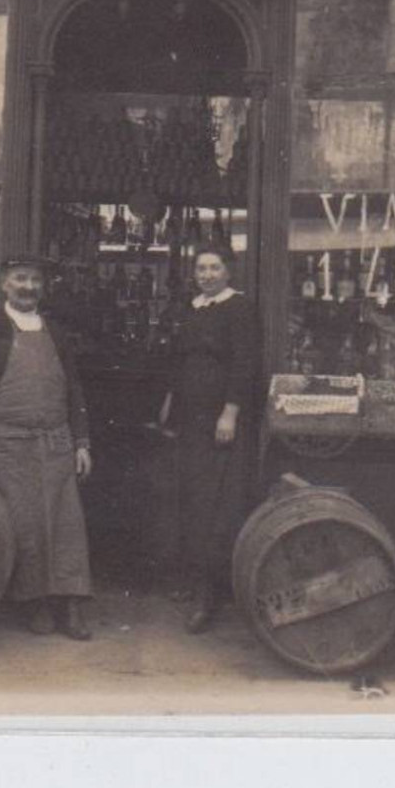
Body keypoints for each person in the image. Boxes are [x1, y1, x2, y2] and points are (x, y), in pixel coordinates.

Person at [0, 255, 95, 641]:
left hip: (56, 439)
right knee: (23, 522)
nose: (28, 287)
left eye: (35, 281)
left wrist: (81, 442)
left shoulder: (56, 332)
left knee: (66, 524)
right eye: (20, 279)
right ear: (5, 284)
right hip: (8, 443)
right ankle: (34, 603)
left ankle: (71, 605)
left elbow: (73, 389)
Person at [157, 244, 258, 633]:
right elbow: (180, 360)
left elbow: (245, 363)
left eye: (215, 268)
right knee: (189, 500)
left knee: (214, 506)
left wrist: (230, 411)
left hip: (220, 422)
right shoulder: (193, 307)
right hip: (189, 420)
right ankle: (191, 579)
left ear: (228, 272)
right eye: (201, 268)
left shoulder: (239, 308)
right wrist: (169, 401)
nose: (208, 274)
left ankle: (209, 592)